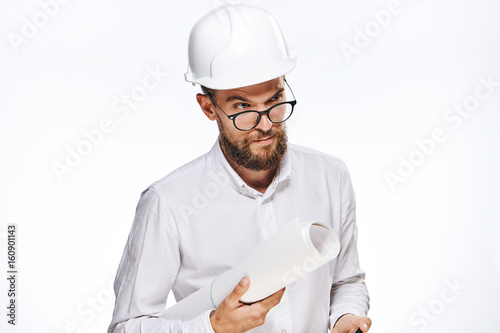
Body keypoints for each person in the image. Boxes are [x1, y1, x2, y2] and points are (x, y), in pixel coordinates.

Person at [108, 4, 371, 333]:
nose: (265, 124)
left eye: (274, 100)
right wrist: (213, 327)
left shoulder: (330, 177)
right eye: (243, 107)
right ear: (208, 108)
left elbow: (346, 281)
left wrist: (346, 317)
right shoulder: (167, 203)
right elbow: (126, 327)